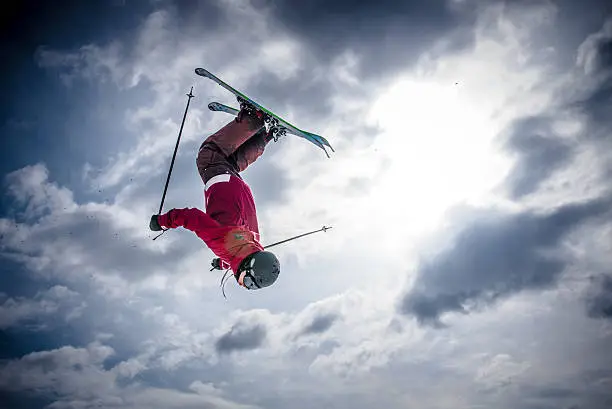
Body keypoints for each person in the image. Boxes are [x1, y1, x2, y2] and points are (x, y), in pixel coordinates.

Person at [149, 104, 280, 290]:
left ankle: (267, 135)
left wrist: (223, 264)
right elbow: (192, 217)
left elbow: (235, 254)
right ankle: (253, 119)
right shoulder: (221, 245)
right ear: (249, 267)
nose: (242, 282)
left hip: (238, 189)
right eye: (247, 281)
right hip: (221, 186)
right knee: (209, 154)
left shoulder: (253, 242)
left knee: (231, 162)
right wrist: (163, 221)